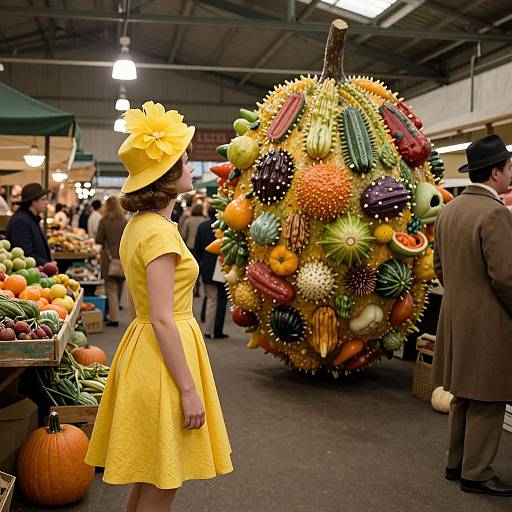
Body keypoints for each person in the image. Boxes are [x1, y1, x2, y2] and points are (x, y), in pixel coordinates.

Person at [85, 101, 232, 511]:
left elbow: (139, 309)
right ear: (169, 176)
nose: (190, 166)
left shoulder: (139, 227)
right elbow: (164, 318)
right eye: (185, 161)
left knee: (152, 473)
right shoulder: (161, 236)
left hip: (144, 351)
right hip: (166, 356)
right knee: (164, 480)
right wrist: (188, 390)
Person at [432, 134, 512, 497]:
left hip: (455, 316)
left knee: (463, 394)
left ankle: (456, 462)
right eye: (509, 168)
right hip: (488, 321)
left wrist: (461, 295)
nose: (510, 175)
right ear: (496, 172)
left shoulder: (449, 210)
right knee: (489, 396)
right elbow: (506, 277)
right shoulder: (494, 213)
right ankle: (477, 473)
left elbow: (439, 266)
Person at [195, 205, 228, 339]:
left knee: (210, 298)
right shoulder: (225, 226)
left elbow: (197, 247)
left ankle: (208, 329)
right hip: (222, 265)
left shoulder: (202, 226)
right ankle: (217, 330)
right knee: (222, 299)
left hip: (207, 267)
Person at [96, 197, 128, 328]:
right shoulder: (125, 222)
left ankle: (113, 317)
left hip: (108, 259)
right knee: (120, 285)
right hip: (123, 257)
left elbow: (99, 240)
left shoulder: (104, 222)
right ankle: (115, 309)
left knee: (110, 288)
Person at [6, 183, 51, 265]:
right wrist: (47, 264)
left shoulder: (31, 218)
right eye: (44, 199)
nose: (47, 202)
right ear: (34, 201)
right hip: (29, 275)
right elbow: (25, 254)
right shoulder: (21, 222)